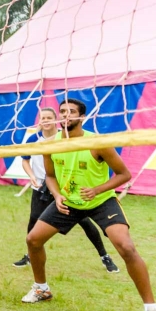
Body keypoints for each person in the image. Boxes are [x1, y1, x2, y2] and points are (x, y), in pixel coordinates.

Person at [22, 99, 156, 311]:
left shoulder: (97, 142)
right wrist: (57, 196)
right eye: (62, 112)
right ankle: (41, 289)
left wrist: (97, 189)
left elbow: (124, 174)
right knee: (33, 239)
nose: (66, 115)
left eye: (71, 112)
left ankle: (152, 310)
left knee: (126, 247)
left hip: (101, 200)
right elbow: (51, 176)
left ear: (81, 117)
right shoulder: (51, 144)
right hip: (69, 201)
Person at [13, 107, 118, 272]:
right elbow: (25, 160)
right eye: (43, 118)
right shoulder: (35, 139)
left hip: (66, 188)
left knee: (85, 223)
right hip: (42, 186)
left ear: (56, 120)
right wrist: (32, 175)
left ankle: (104, 255)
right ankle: (29, 256)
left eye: (49, 117)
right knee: (34, 221)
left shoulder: (64, 137)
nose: (46, 121)